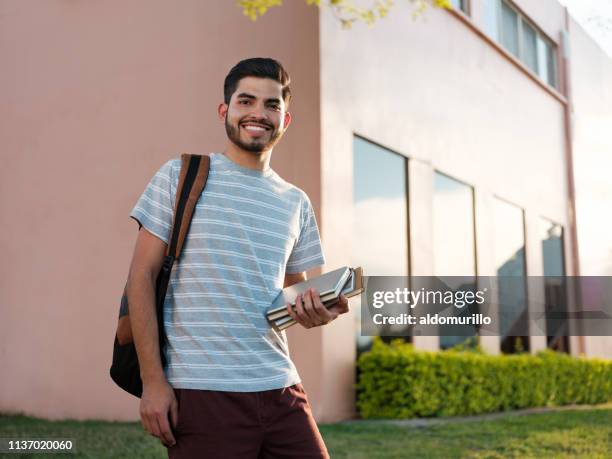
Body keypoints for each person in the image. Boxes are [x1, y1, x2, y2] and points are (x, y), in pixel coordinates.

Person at [126, 57, 349, 458]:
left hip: (281, 386)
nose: (258, 114)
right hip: (202, 391)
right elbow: (140, 277)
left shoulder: (295, 202)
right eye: (246, 101)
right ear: (225, 110)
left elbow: (289, 297)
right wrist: (153, 382)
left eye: (271, 105)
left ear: (285, 119)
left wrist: (317, 310)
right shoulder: (180, 175)